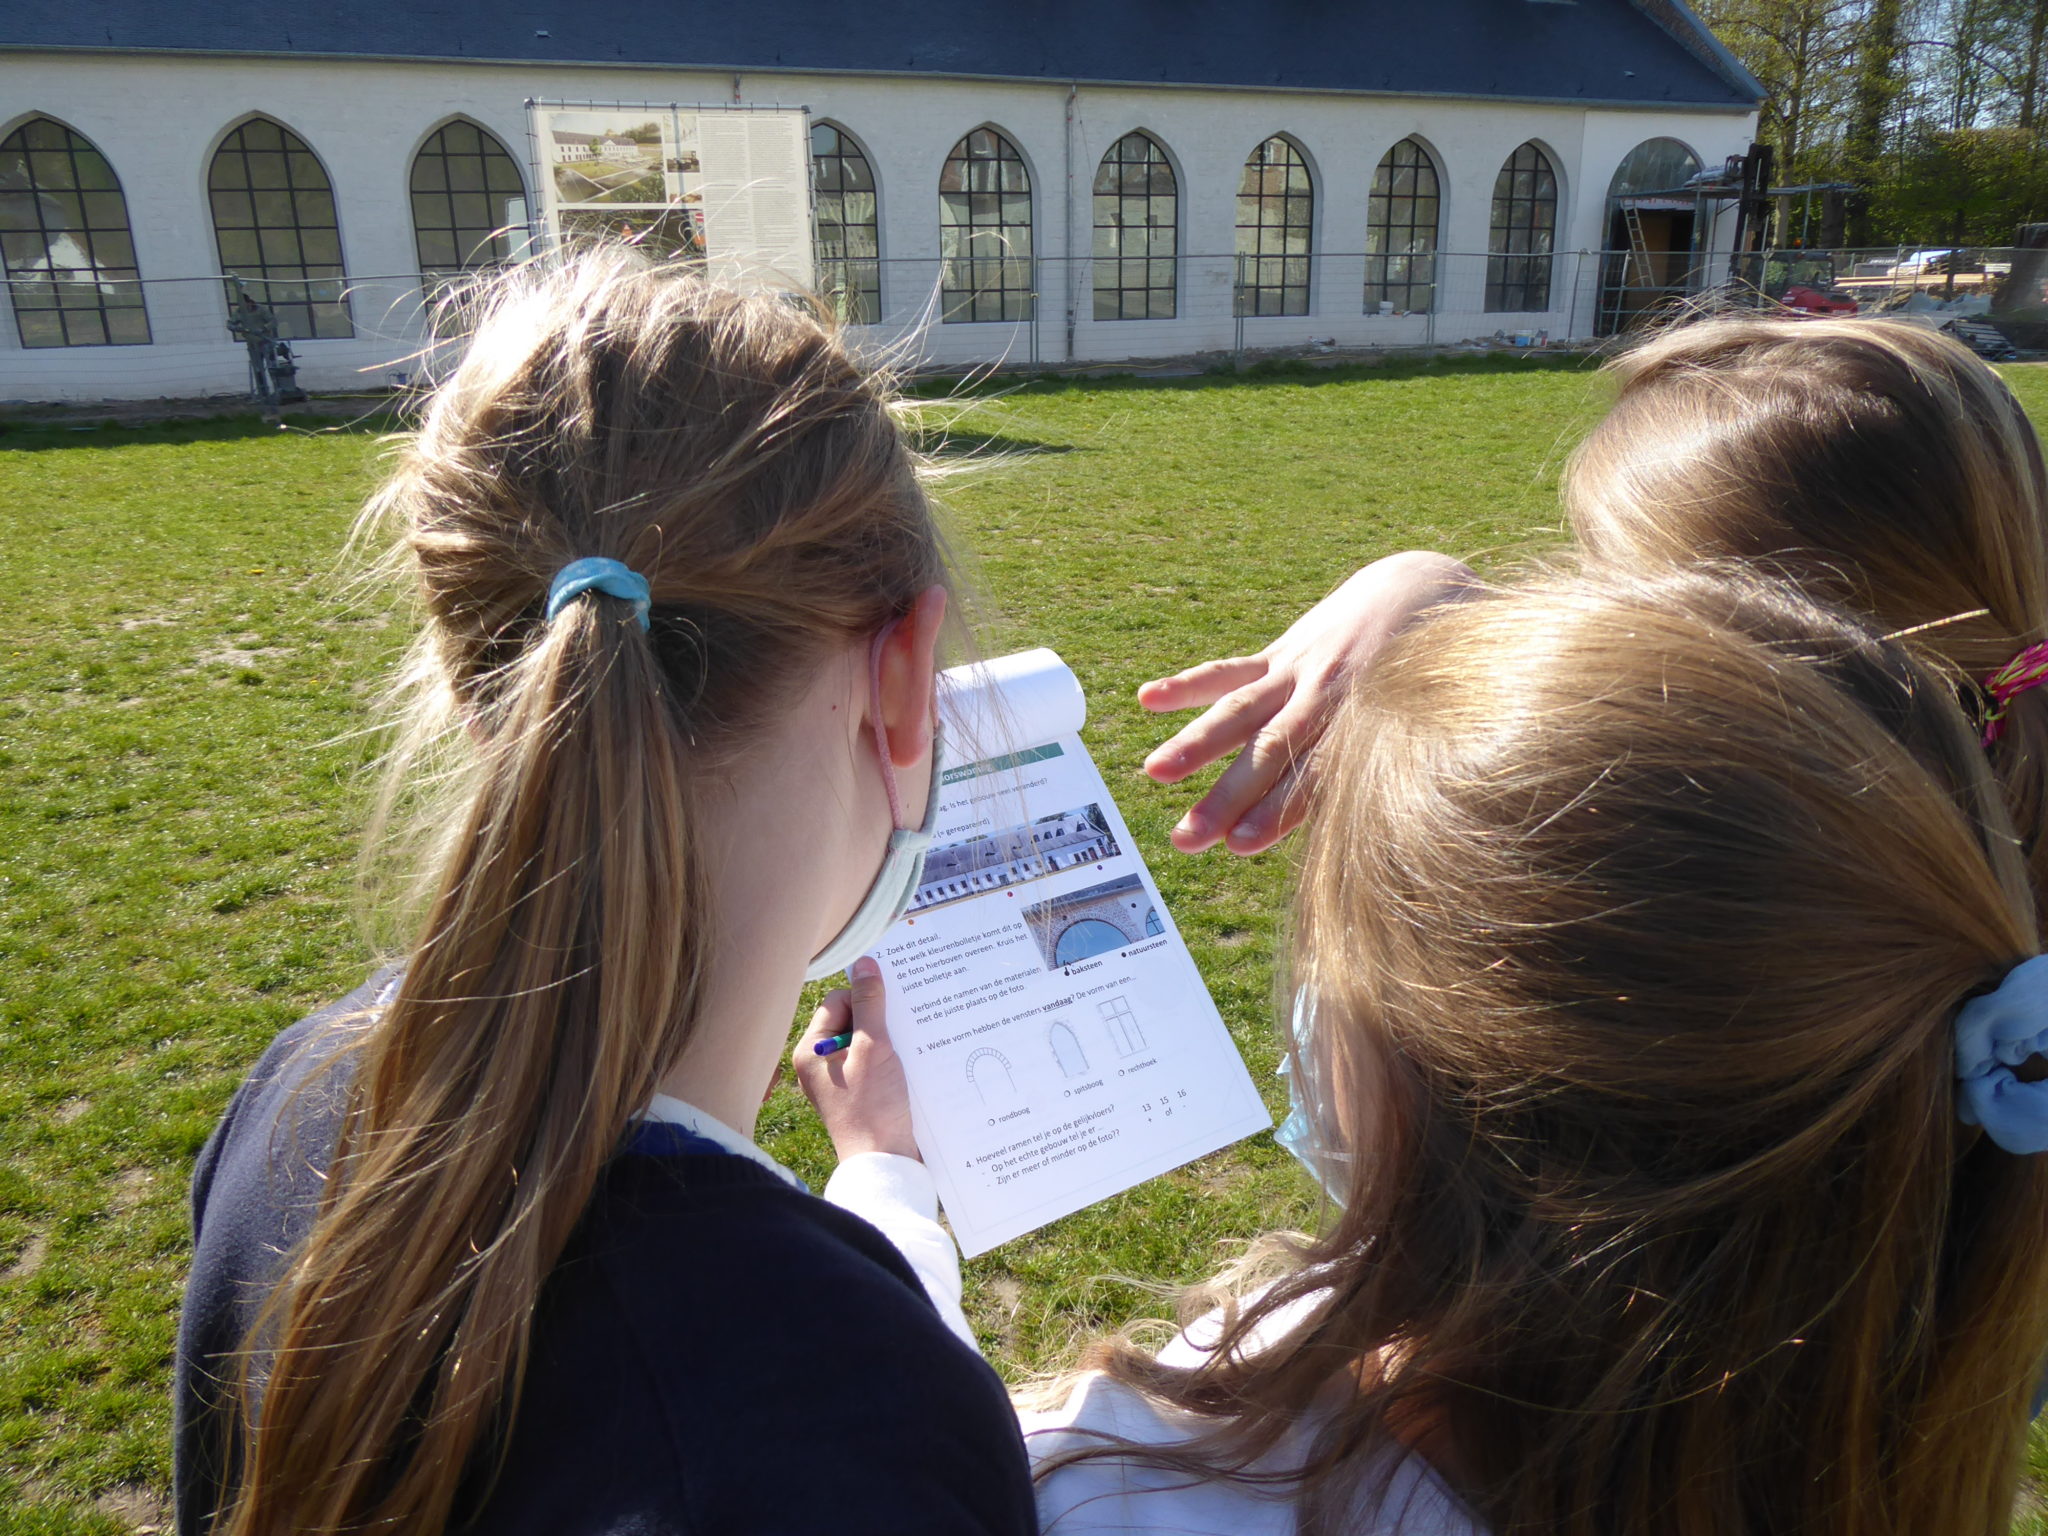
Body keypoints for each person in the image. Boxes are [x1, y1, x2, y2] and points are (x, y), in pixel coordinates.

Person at [173, 256, 1036, 1536]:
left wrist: (875, 1206)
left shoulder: (289, 1101)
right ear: (906, 678)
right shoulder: (861, 1420)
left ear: (480, 690)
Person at [1018, 567, 2048, 1534]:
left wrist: (888, 1204)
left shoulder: (1118, 1488)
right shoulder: (1880, 1424)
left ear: (1440, 1072)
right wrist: (1429, 595)